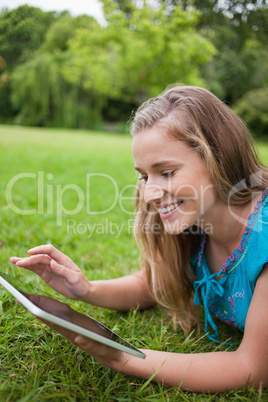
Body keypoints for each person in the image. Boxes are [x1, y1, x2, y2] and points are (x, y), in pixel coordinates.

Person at [10, 85, 268, 393]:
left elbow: (252, 369)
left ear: (219, 158)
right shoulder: (197, 225)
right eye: (144, 176)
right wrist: (87, 290)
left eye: (167, 172)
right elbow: (154, 283)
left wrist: (121, 357)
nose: (149, 193)